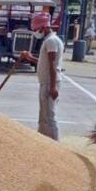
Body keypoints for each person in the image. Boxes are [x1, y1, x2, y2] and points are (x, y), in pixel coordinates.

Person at [19, 12, 64, 141]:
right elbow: (44, 62)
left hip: (50, 83)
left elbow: (52, 65)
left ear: (44, 27)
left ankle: (56, 144)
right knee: (43, 116)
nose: (36, 32)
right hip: (46, 82)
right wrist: (29, 57)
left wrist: (53, 87)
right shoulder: (49, 41)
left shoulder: (51, 41)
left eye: (36, 29)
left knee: (49, 116)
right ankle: (42, 142)